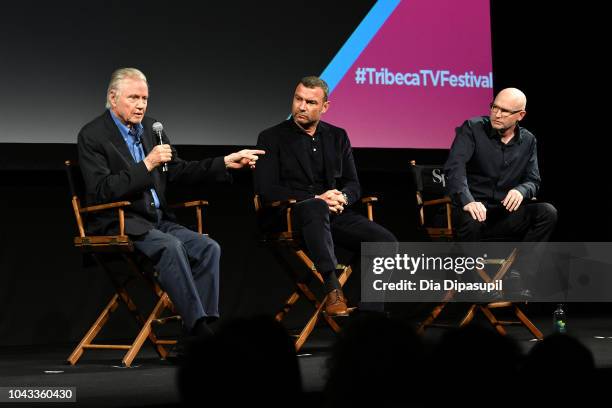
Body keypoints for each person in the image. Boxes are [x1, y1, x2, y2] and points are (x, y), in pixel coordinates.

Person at [77, 67, 264, 338]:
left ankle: (194, 331)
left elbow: (178, 170)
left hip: (157, 220)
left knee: (208, 247)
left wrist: (225, 162)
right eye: (133, 98)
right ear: (113, 97)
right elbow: (101, 191)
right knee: (171, 247)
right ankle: (201, 332)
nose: (141, 105)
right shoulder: (93, 135)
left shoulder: (152, 130)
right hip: (120, 222)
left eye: (144, 98)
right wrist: (148, 163)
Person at [255, 76, 396, 316]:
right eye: (298, 99)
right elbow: (267, 189)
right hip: (290, 215)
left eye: (310, 102)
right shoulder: (271, 137)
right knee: (316, 207)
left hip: (331, 214)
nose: (301, 106)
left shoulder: (337, 136)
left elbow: (353, 184)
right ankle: (332, 288)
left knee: (385, 242)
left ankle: (370, 315)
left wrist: (342, 197)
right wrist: (318, 198)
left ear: (325, 107)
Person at [444, 88, 557, 295]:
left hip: (502, 216)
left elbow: (533, 180)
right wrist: (468, 200)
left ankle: (518, 276)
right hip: (472, 214)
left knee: (547, 212)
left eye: (505, 111)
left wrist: (522, 191)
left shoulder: (528, 140)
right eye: (494, 107)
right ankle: (475, 286)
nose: (497, 114)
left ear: (520, 115)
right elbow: (454, 169)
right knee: (471, 218)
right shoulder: (472, 128)